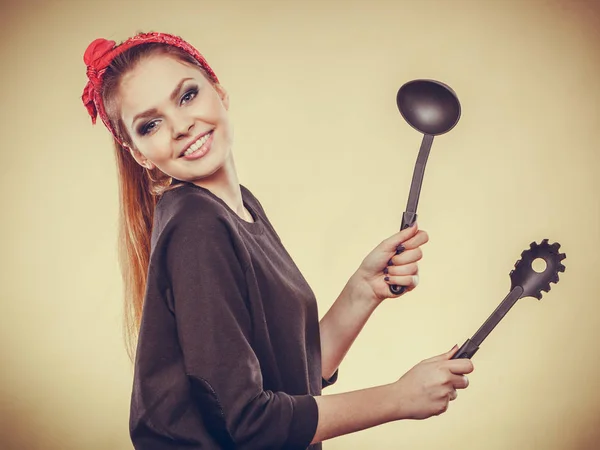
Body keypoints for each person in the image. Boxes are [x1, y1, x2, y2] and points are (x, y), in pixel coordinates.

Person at [81, 31, 474, 449]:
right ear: (139, 153)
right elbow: (252, 424)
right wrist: (400, 397)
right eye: (151, 124)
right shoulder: (196, 225)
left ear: (218, 90)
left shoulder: (238, 208)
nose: (181, 126)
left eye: (187, 96)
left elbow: (297, 376)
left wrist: (363, 288)